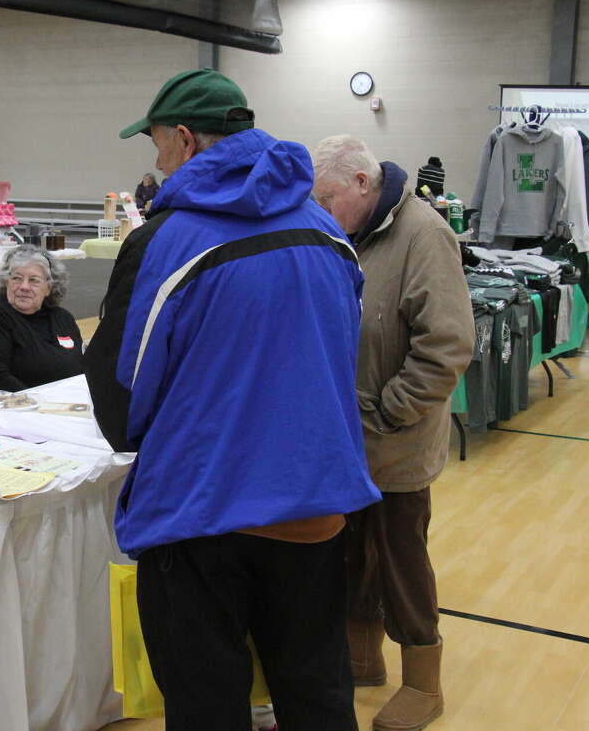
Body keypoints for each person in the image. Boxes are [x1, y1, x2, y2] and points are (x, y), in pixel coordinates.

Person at [84, 69, 380, 731]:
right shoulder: (328, 232)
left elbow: (121, 401)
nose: (156, 162)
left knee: (207, 707)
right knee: (318, 698)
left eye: (157, 144)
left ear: (185, 142)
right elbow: (336, 356)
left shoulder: (164, 242)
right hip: (315, 508)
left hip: (202, 516)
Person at [311, 135, 473, 731]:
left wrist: (390, 413)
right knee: (349, 551)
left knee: (402, 560)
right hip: (347, 437)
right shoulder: (344, 234)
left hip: (394, 438)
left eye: (327, 197)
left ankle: (424, 683)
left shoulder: (424, 234)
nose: (320, 210)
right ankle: (361, 656)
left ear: (361, 183)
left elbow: (447, 343)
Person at [0, 244, 83, 392]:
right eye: (17, 278)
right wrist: (41, 405)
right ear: (6, 282)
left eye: (34, 280)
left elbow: (81, 369)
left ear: (49, 288)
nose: (24, 286)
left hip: (68, 406)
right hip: (16, 408)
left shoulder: (64, 318)